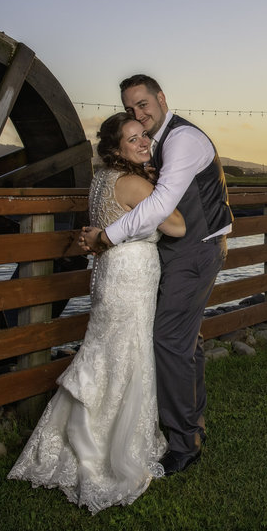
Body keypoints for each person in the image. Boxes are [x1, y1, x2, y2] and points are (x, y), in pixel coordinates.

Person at [8, 112, 185, 513]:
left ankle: (75, 438)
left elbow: (105, 224)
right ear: (116, 148)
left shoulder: (102, 179)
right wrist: (159, 188)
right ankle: (113, 450)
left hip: (109, 274)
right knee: (127, 356)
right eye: (132, 139)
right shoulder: (136, 183)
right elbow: (177, 227)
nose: (143, 142)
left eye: (144, 135)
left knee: (103, 352)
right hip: (132, 278)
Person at [84, 74, 232, 476]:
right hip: (176, 250)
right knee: (185, 339)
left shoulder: (182, 139)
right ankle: (193, 424)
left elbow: (163, 202)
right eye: (131, 109)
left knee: (168, 338)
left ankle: (184, 442)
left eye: (144, 105)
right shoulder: (156, 143)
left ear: (161, 98)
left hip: (195, 250)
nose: (139, 115)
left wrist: (106, 237)